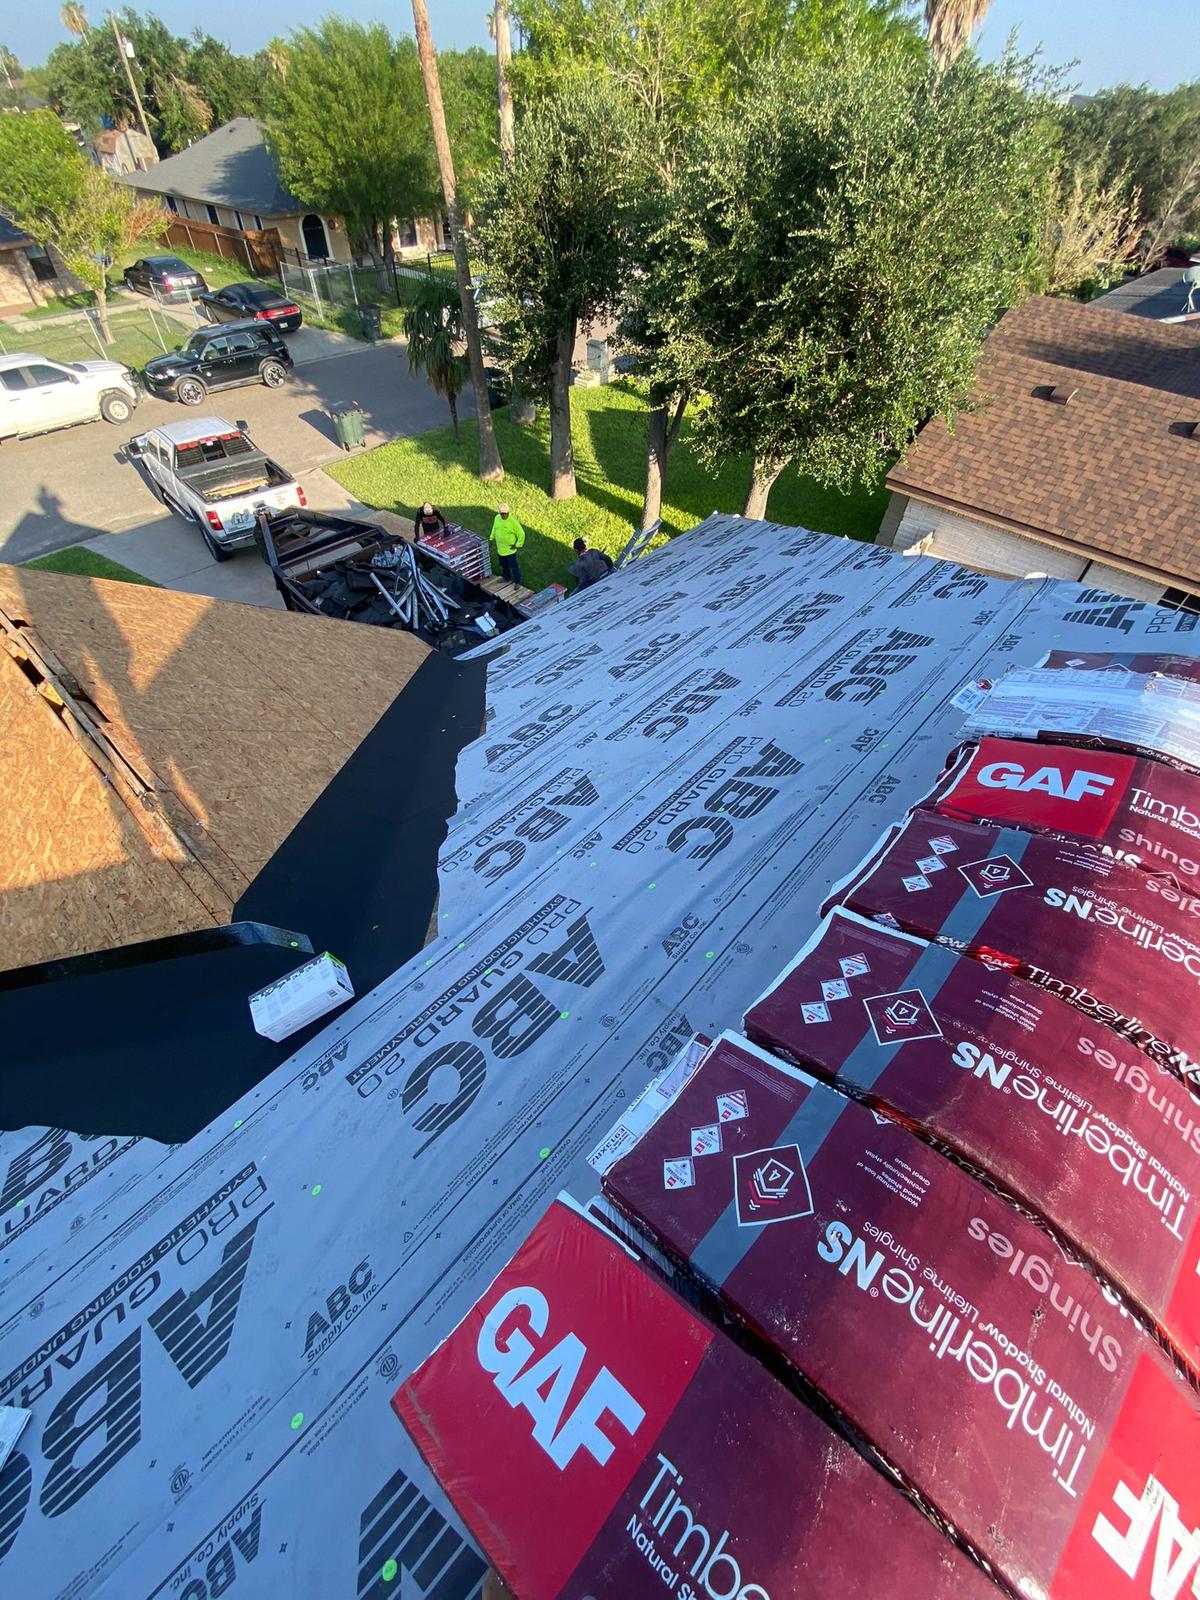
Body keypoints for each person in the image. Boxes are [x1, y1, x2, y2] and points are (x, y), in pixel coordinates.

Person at [490, 502, 526, 585]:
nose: (503, 515)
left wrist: (517, 545)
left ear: (508, 512)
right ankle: (506, 577)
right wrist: (491, 538)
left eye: (505, 513)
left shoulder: (513, 522)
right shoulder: (497, 518)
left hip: (510, 551)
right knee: (504, 566)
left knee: (513, 567)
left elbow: (521, 533)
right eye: (501, 513)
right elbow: (494, 528)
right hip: (500, 549)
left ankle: (517, 581)